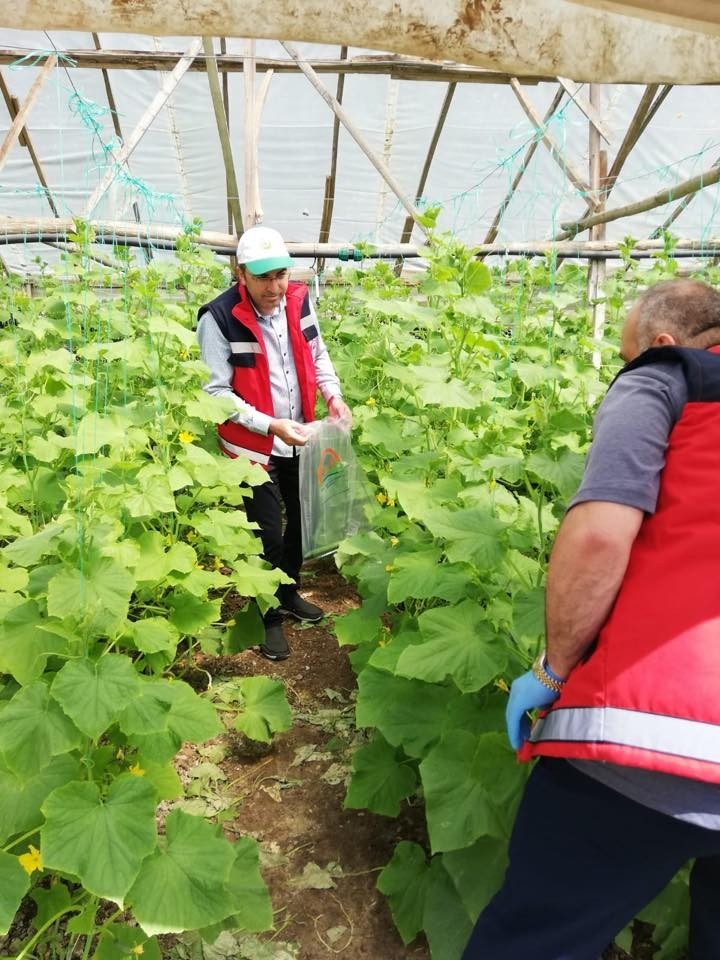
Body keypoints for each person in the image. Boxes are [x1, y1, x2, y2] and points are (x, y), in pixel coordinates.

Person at [462, 279, 720, 960]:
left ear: (662, 345)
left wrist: (552, 669)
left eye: (625, 352)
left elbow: (602, 536)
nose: (623, 365)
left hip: (663, 735)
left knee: (538, 938)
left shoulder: (667, 379)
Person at [196, 225, 350, 661]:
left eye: (280, 274)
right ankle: (267, 616)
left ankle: (288, 593)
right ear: (240, 272)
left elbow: (319, 356)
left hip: (298, 435)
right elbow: (215, 393)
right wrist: (269, 424)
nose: (274, 286)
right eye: (263, 277)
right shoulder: (219, 318)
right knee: (266, 534)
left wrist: (333, 396)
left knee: (301, 523)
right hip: (251, 445)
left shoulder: (299, 302)